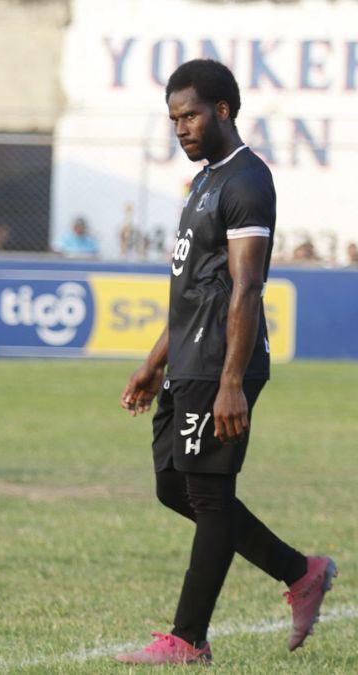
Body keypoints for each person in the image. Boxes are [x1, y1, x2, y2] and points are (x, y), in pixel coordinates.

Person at [116, 59, 336, 666]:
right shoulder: (204, 182)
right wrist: (154, 361)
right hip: (188, 359)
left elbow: (245, 287)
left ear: (223, 110)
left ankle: (187, 639)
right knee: (172, 486)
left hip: (221, 364)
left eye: (189, 115)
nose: (180, 128)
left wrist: (232, 381)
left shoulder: (246, 182)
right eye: (172, 119)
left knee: (210, 497)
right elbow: (194, 287)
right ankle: (300, 571)